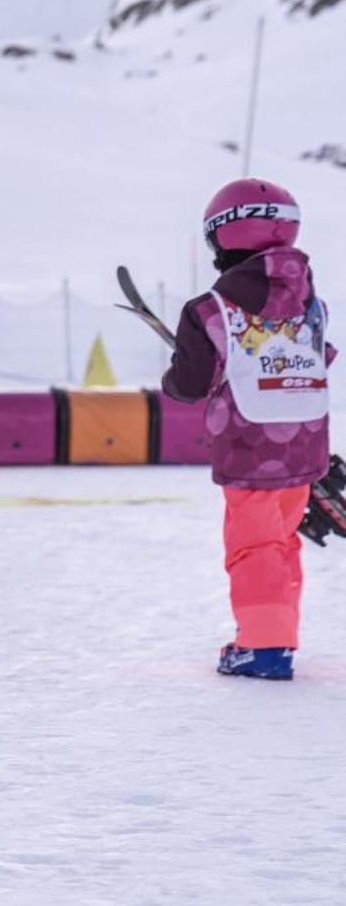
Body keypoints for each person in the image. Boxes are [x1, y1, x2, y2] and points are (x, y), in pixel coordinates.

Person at [161, 179, 334, 681]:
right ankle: (277, 634)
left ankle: (264, 647)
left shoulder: (209, 309)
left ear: (224, 235)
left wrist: (177, 372)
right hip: (303, 447)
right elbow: (318, 358)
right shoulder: (311, 303)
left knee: (254, 547)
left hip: (250, 448)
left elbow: (191, 384)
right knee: (281, 545)